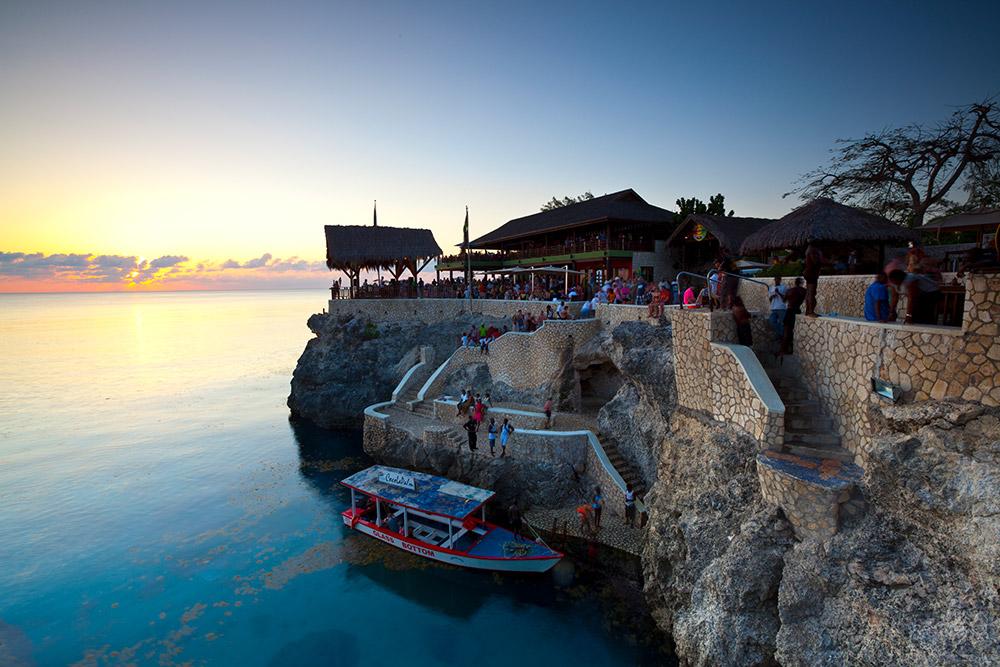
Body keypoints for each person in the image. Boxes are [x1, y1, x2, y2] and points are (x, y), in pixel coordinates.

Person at [780, 278, 807, 356]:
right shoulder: (804, 291)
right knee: (793, 331)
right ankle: (790, 349)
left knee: (786, 331)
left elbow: (784, 300)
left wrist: (779, 293)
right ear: (801, 283)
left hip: (790, 311)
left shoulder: (790, 290)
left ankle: (783, 350)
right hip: (797, 310)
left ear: (795, 283)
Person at [803, 243, 824, 316]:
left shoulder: (808, 250)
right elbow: (815, 261)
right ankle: (811, 311)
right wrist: (821, 258)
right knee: (811, 293)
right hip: (811, 273)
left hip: (809, 273)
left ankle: (808, 311)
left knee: (809, 293)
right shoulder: (812, 250)